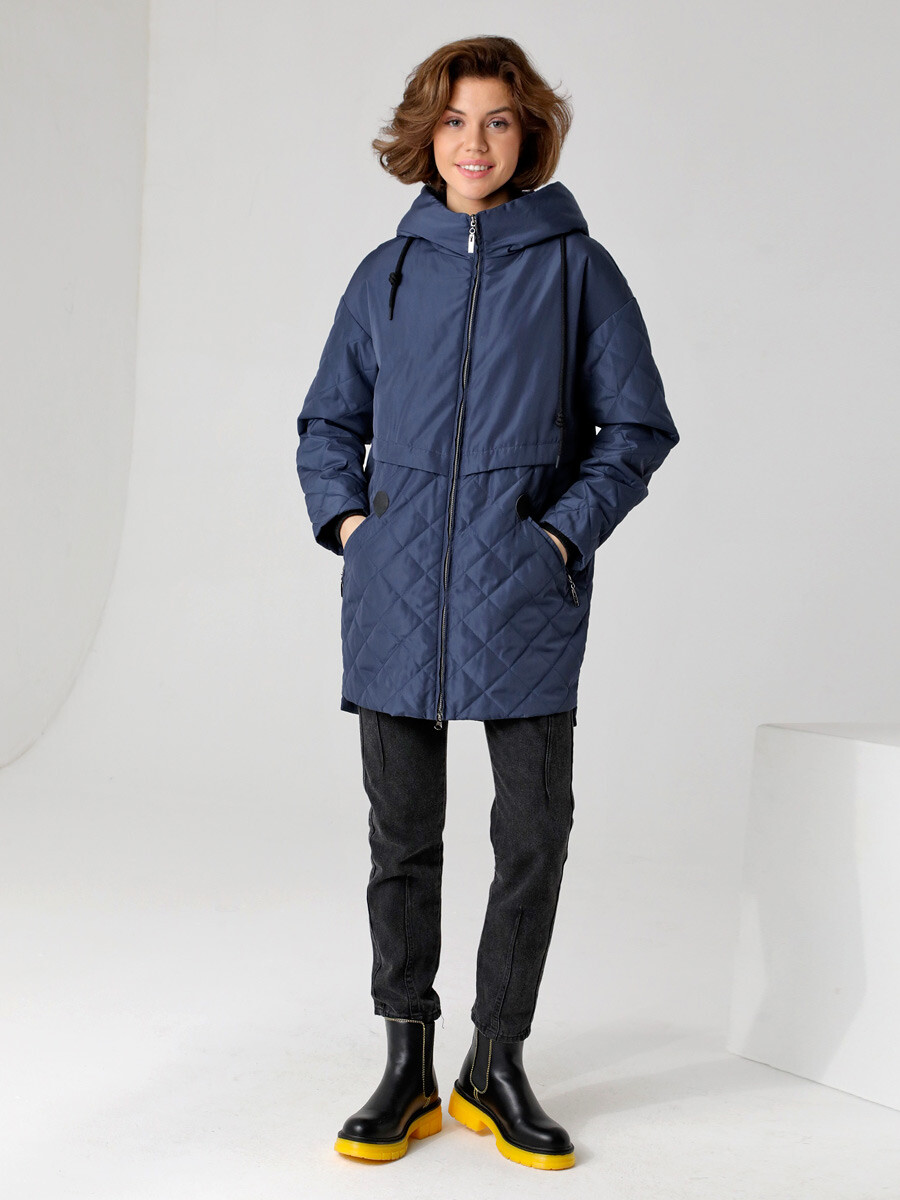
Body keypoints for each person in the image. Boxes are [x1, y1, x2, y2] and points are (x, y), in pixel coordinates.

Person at [295, 35, 680, 1171]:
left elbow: (637, 426)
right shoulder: (386, 273)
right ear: (428, 135)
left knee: (534, 835)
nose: (475, 143)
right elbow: (327, 422)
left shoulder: (578, 269)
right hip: (395, 596)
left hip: (524, 596)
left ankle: (496, 1062)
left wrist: (558, 535)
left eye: (499, 121)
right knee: (401, 838)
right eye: (457, 121)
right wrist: (355, 530)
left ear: (528, 134)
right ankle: (406, 1063)